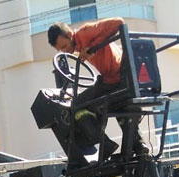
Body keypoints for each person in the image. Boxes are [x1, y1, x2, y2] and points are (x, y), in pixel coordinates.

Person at [47, 18, 147, 165]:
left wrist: (92, 47)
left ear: (69, 34)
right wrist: (87, 51)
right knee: (117, 107)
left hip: (116, 80)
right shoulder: (81, 47)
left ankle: (105, 144)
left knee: (77, 106)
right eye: (61, 50)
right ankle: (139, 146)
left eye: (65, 46)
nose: (65, 51)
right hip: (116, 80)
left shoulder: (85, 32)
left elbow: (118, 22)